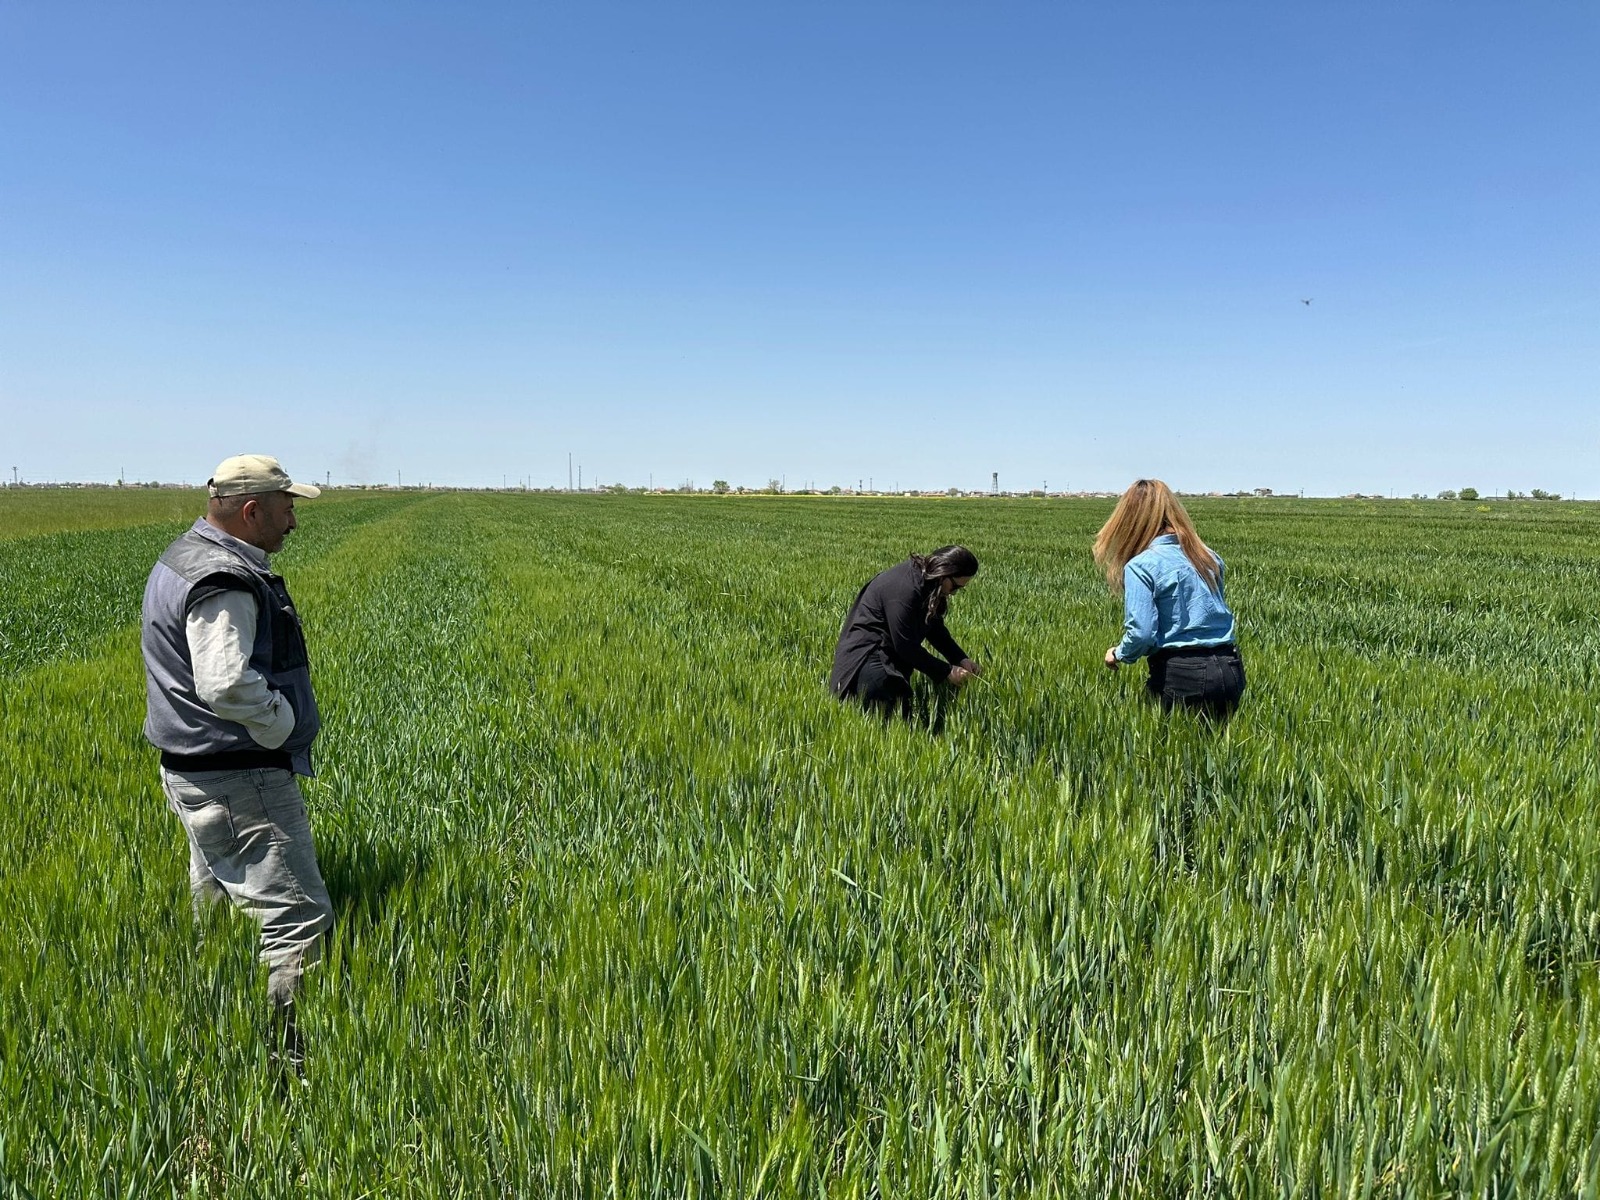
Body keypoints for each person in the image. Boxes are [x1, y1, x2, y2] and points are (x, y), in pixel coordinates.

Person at [140, 454, 333, 1075]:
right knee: (298, 918)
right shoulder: (225, 578)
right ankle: (290, 1060)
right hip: (239, 771)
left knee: (220, 901)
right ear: (252, 511)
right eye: (287, 508)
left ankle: (213, 1024)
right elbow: (225, 683)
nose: (293, 522)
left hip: (193, 768)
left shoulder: (184, 556)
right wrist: (281, 725)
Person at [1093, 479, 1244, 720]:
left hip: (1182, 672)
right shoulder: (1207, 556)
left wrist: (1119, 653)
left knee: (1164, 753)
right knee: (1215, 753)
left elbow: (1142, 633)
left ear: (1128, 521)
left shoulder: (1142, 565)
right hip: (1230, 668)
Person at [829, 546, 982, 720]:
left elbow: (934, 628)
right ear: (944, 572)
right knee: (885, 730)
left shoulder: (927, 582)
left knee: (899, 727)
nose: (953, 593)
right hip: (869, 661)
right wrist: (946, 671)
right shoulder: (906, 589)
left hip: (886, 659)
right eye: (954, 587)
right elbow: (905, 645)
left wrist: (960, 659)